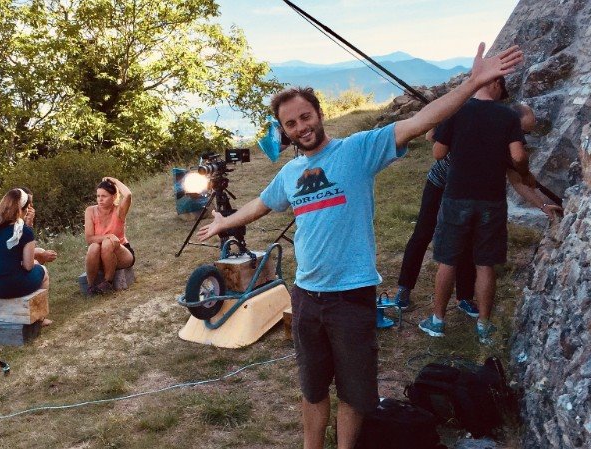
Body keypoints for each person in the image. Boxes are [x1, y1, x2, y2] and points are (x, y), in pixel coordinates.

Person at [197, 43, 524, 449]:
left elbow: (421, 121)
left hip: (351, 297)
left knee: (353, 394)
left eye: (306, 116)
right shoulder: (290, 173)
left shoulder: (358, 150)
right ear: (284, 131)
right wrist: (225, 222)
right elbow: (262, 204)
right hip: (306, 298)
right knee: (312, 391)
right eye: (292, 123)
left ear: (319, 113)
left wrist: (473, 83)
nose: (302, 126)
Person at [394, 101, 560, 316]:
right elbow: (431, 138)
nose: (524, 138)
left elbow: (518, 182)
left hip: (468, 195)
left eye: (526, 132)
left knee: (468, 242)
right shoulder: (472, 125)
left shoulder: (509, 144)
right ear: (508, 121)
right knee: (423, 233)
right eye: (523, 131)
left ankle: (464, 298)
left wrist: (543, 205)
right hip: (440, 184)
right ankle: (404, 289)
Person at [419, 78, 538, 346]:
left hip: (457, 197)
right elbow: (518, 157)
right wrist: (526, 174)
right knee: (485, 263)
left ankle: (437, 321)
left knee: (447, 260)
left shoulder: (458, 109)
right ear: (495, 83)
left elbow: (438, 152)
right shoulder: (508, 116)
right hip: (491, 201)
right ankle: (484, 325)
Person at [0, 189, 51, 321]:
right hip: (8, 285)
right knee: (42, 271)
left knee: (30, 265)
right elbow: (28, 266)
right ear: (24, 208)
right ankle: (41, 318)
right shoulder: (24, 231)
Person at [84, 177, 134, 294]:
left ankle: (108, 282)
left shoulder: (119, 211)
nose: (100, 200)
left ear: (113, 197)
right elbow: (89, 238)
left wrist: (115, 180)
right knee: (93, 246)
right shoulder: (90, 211)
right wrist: (109, 236)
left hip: (121, 253)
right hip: (100, 256)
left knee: (107, 243)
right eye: (98, 196)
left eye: (104, 196)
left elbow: (128, 195)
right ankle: (91, 286)